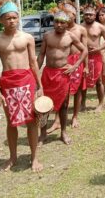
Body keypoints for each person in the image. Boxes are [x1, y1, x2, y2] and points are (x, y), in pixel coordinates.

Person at [0, 0, 43, 172]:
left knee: (32, 121)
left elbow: (34, 63)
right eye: (8, 18)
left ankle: (34, 158)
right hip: (8, 83)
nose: (11, 21)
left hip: (27, 80)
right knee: (11, 122)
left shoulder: (27, 38)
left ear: (18, 18)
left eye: (14, 17)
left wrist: (39, 85)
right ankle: (13, 157)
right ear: (1, 20)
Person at [37, 8, 88, 145]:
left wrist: (75, 65)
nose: (59, 25)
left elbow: (84, 50)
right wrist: (36, 71)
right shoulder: (47, 36)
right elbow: (41, 54)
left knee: (64, 105)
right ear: (54, 22)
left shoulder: (71, 36)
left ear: (67, 24)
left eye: (62, 22)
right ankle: (42, 134)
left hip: (62, 74)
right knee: (43, 105)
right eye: (57, 22)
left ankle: (63, 132)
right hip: (48, 74)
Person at [81, 6, 105, 112]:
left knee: (98, 81)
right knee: (82, 80)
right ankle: (82, 103)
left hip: (96, 56)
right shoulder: (80, 27)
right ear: (83, 15)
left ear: (95, 15)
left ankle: (101, 103)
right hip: (83, 56)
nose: (88, 16)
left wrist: (98, 48)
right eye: (86, 14)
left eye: (91, 14)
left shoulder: (100, 27)